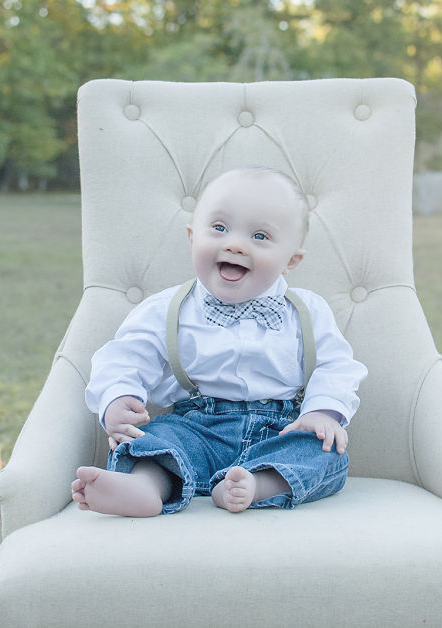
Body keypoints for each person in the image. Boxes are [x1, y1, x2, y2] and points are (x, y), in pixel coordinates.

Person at [71, 167, 367, 517]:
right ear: (192, 237)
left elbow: (336, 365)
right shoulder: (168, 308)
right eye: (219, 228)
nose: (235, 244)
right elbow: (124, 356)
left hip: (280, 430)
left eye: (259, 236)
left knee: (326, 452)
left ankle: (257, 486)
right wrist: (118, 397)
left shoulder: (307, 311)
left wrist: (322, 412)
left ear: (291, 260)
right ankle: (145, 487)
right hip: (196, 426)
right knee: (154, 438)